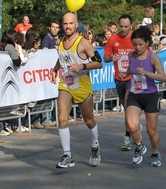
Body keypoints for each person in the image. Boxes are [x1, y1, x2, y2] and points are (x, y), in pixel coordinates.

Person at [49, 12, 103, 168]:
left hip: (82, 85)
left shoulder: (83, 42)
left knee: (89, 120)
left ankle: (95, 145)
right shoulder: (60, 41)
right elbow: (62, 57)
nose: (67, 26)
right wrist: (54, 70)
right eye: (65, 24)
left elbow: (99, 63)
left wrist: (82, 66)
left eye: (70, 23)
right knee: (62, 118)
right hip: (66, 84)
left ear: (76, 24)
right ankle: (67, 155)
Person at [123, 26, 166, 166]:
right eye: (135, 44)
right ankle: (140, 145)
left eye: (140, 44)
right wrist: (125, 74)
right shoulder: (131, 56)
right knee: (131, 125)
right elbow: (130, 69)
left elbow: (163, 77)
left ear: (147, 42)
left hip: (150, 96)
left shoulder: (152, 57)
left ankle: (155, 153)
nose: (137, 47)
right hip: (134, 95)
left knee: (151, 130)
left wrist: (147, 73)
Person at [104, 14, 135, 151]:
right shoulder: (113, 39)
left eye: (126, 27)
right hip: (119, 77)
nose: (123, 29)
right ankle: (134, 126)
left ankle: (127, 136)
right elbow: (105, 58)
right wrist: (112, 57)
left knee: (128, 106)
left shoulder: (136, 38)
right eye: (121, 26)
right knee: (125, 105)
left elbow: (147, 53)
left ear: (131, 26)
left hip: (133, 78)